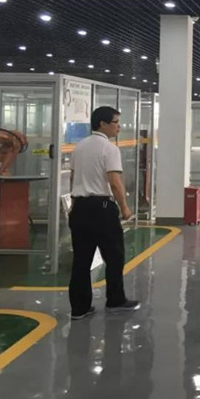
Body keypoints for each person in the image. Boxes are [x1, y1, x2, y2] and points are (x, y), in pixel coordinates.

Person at [68, 106, 139, 320]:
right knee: (114, 256)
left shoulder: (79, 147)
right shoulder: (109, 148)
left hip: (79, 208)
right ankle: (115, 300)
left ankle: (79, 308)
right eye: (116, 122)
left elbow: (73, 178)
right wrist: (125, 208)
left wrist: (74, 204)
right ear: (103, 124)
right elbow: (114, 182)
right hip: (102, 209)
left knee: (81, 260)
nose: (119, 127)